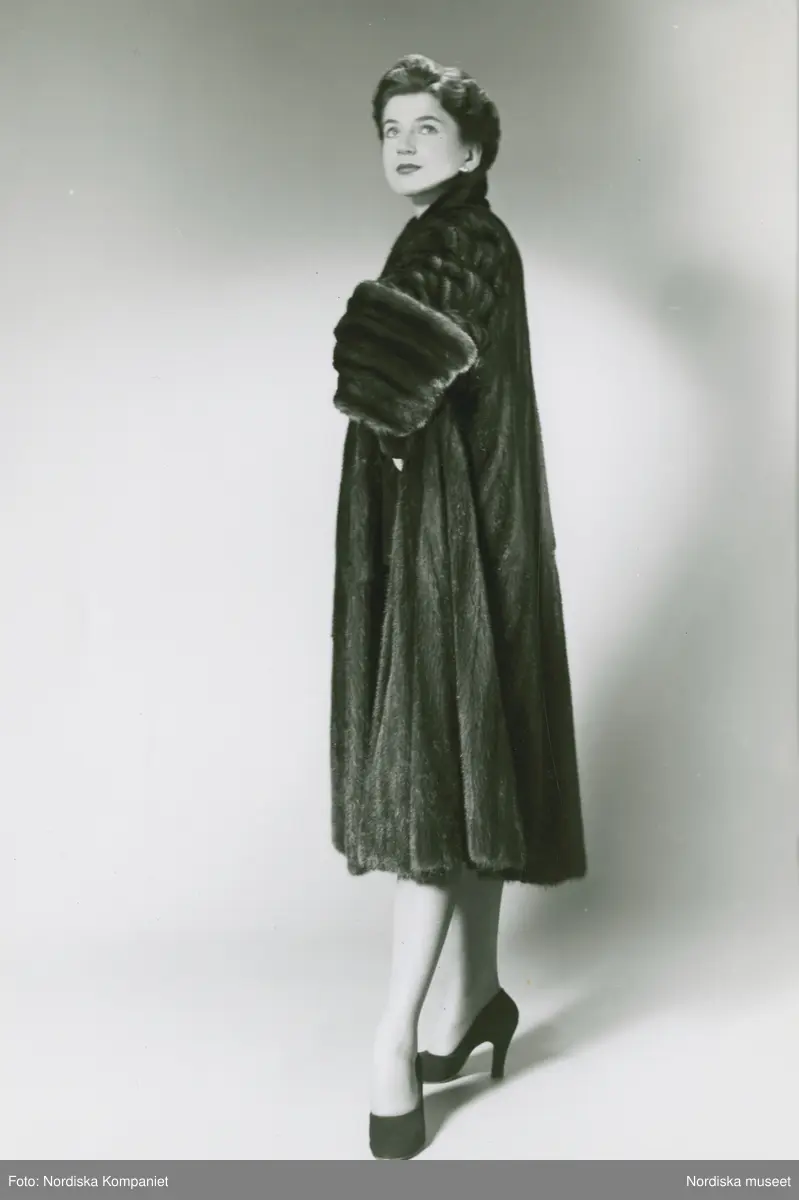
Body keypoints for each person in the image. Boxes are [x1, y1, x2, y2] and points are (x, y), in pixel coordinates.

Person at [329, 54, 587, 1159]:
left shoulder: (451, 242)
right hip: (479, 542)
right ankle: (474, 996)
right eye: (389, 127)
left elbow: (387, 376)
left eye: (425, 127)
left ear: (471, 149)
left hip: (449, 552)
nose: (401, 142)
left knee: (429, 793)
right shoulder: (477, 236)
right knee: (473, 767)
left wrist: (370, 371)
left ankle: (392, 1046)